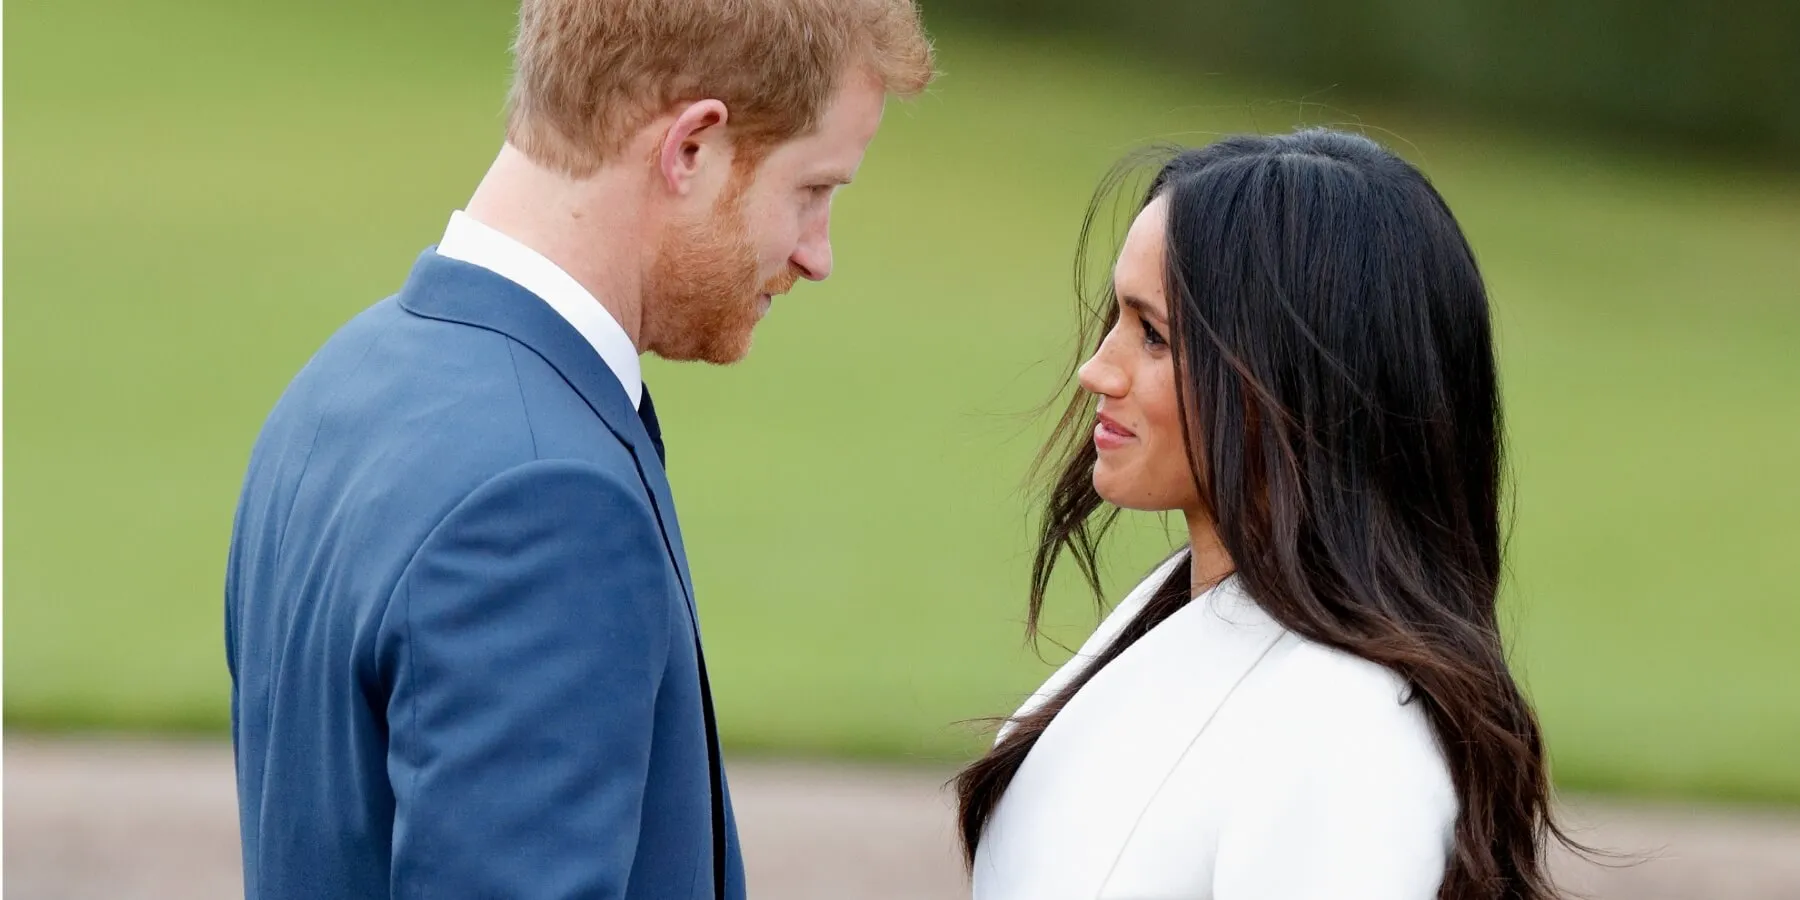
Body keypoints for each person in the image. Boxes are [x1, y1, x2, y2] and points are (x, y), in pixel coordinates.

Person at [223, 2, 932, 898]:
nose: (818, 254)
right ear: (692, 148)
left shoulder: (339, 386)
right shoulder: (542, 498)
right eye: (813, 191)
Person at [956, 129, 1578, 899]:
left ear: (1297, 386)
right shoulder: (1185, 615)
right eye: (1115, 318)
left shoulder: (1344, 728)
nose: (1096, 369)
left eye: (1152, 334)